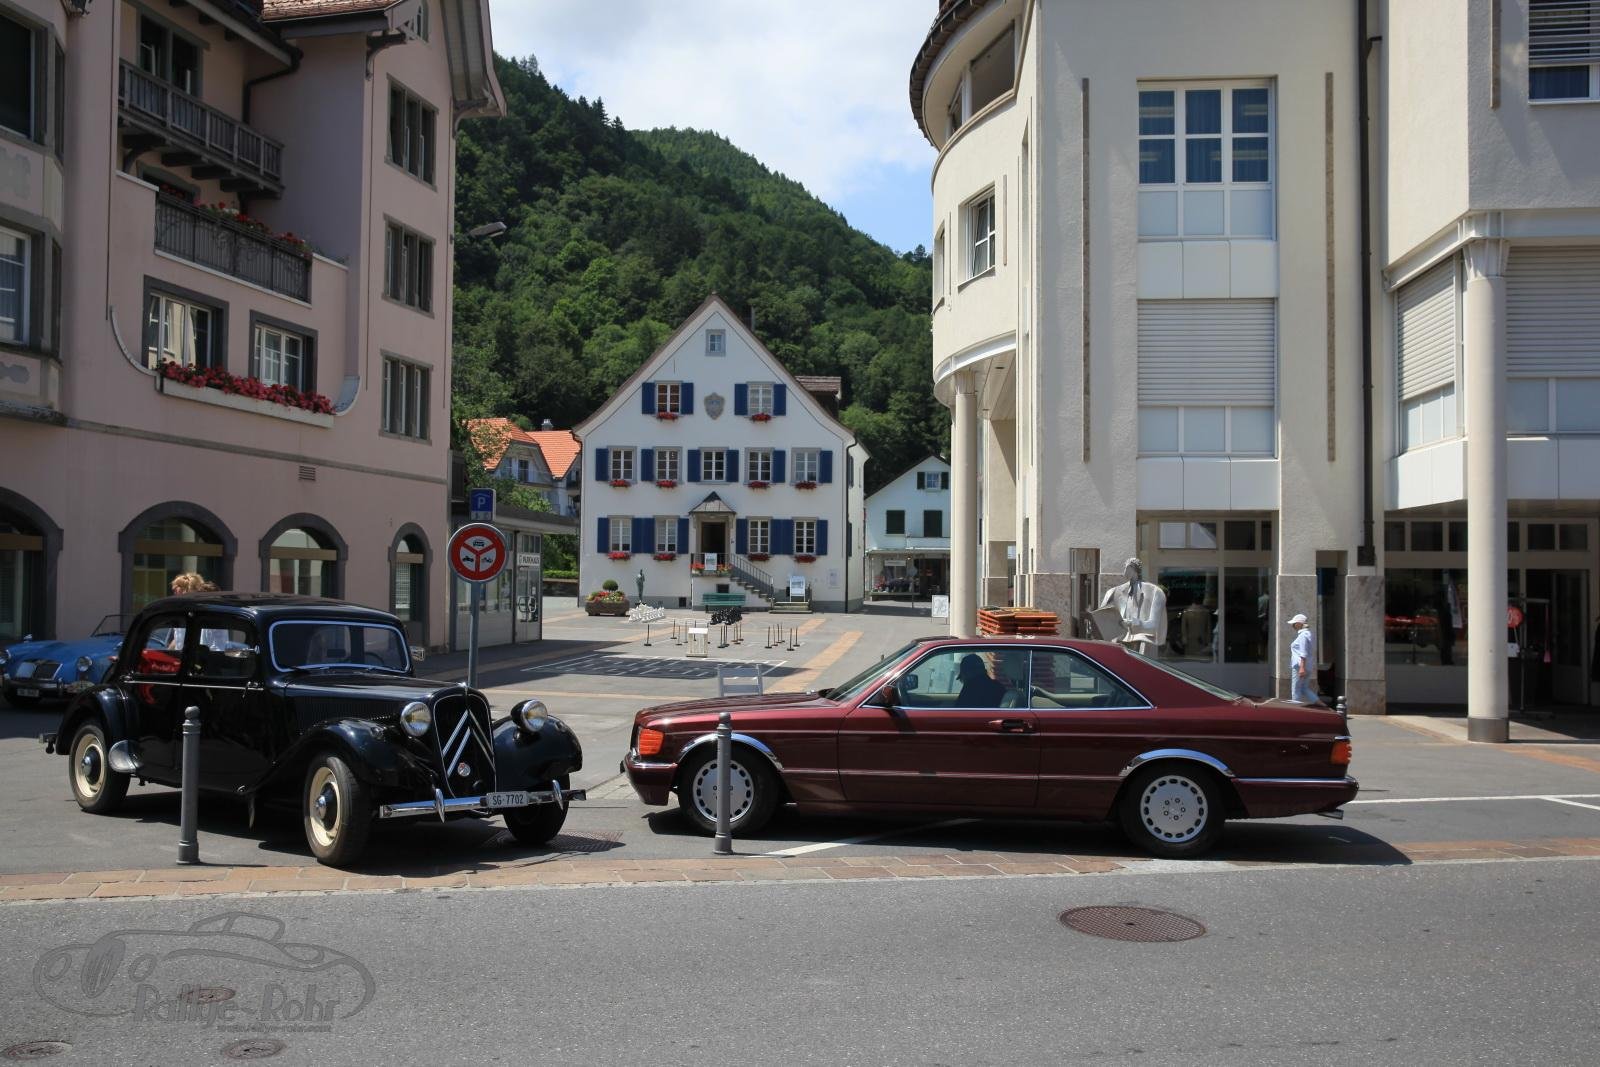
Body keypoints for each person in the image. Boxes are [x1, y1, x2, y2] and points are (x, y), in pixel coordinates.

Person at [1287, 613, 1318, 704]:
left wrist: (1301, 667)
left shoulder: (1303, 636)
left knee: (1296, 690)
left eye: (1294, 623)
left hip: (1299, 666)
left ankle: (1295, 709)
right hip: (1307, 666)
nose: (1292, 625)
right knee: (1304, 688)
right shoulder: (1309, 634)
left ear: (1299, 624)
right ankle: (1322, 705)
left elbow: (1303, 652)